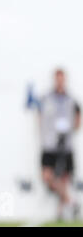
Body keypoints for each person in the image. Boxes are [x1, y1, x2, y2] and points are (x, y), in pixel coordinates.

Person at [38, 69, 81, 221]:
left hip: (66, 145)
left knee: (64, 179)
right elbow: (40, 116)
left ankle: (61, 211)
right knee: (48, 176)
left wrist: (73, 128)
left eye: (62, 79)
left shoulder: (71, 99)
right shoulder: (46, 98)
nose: (60, 82)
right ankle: (71, 201)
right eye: (57, 79)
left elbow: (77, 116)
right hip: (50, 144)